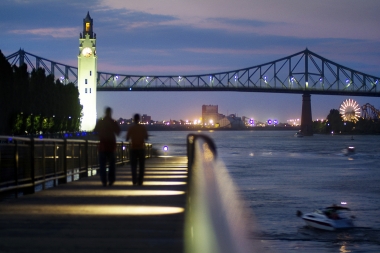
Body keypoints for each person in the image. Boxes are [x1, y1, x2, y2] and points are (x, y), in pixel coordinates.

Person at [94, 107, 120, 186]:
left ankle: (103, 180)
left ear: (105, 112)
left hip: (102, 146)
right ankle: (111, 179)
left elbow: (95, 132)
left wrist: (100, 135)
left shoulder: (101, 122)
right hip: (111, 146)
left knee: (102, 164)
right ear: (110, 113)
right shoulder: (113, 122)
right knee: (112, 164)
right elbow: (118, 132)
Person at [126, 113, 148, 185]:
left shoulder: (131, 128)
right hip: (141, 148)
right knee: (141, 165)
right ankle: (140, 180)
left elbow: (127, 138)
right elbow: (146, 137)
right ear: (139, 119)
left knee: (133, 165)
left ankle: (134, 180)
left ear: (134, 119)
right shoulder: (143, 128)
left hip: (133, 148)